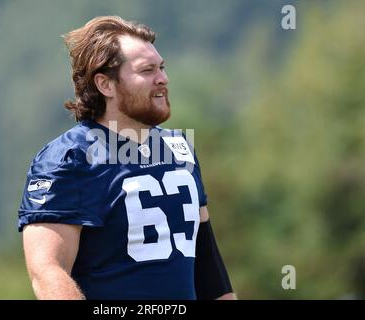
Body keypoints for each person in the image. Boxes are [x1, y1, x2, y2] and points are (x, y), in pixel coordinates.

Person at [18, 16, 235, 300]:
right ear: (105, 84)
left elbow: (206, 260)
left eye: (162, 67)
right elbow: (48, 273)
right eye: (147, 70)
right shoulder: (68, 160)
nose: (163, 78)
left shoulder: (178, 147)